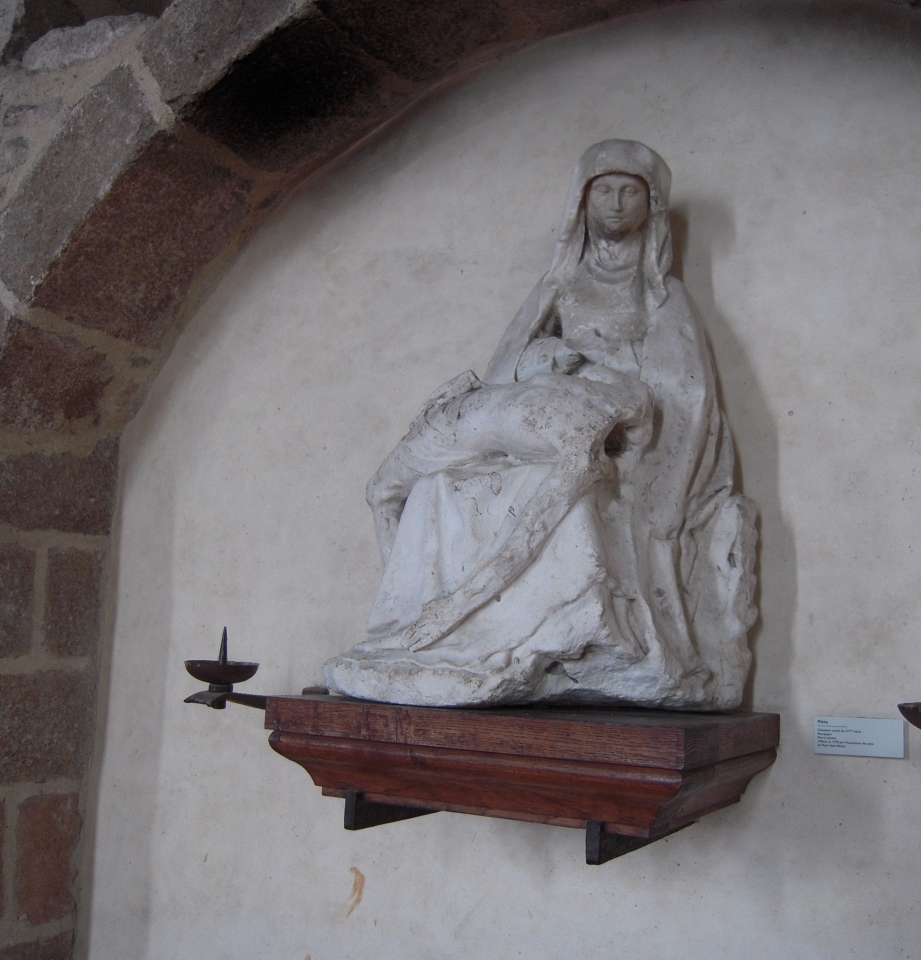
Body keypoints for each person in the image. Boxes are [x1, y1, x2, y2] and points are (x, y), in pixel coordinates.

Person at [324, 140, 757, 709]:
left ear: (651, 206)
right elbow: (502, 373)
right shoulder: (559, 287)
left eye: (630, 192)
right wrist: (550, 361)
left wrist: (613, 397)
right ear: (582, 201)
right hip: (546, 427)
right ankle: (430, 634)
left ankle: (557, 635)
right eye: (604, 190)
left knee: (568, 493)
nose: (616, 203)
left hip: (627, 445)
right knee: (437, 487)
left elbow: (686, 392)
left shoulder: (663, 297)